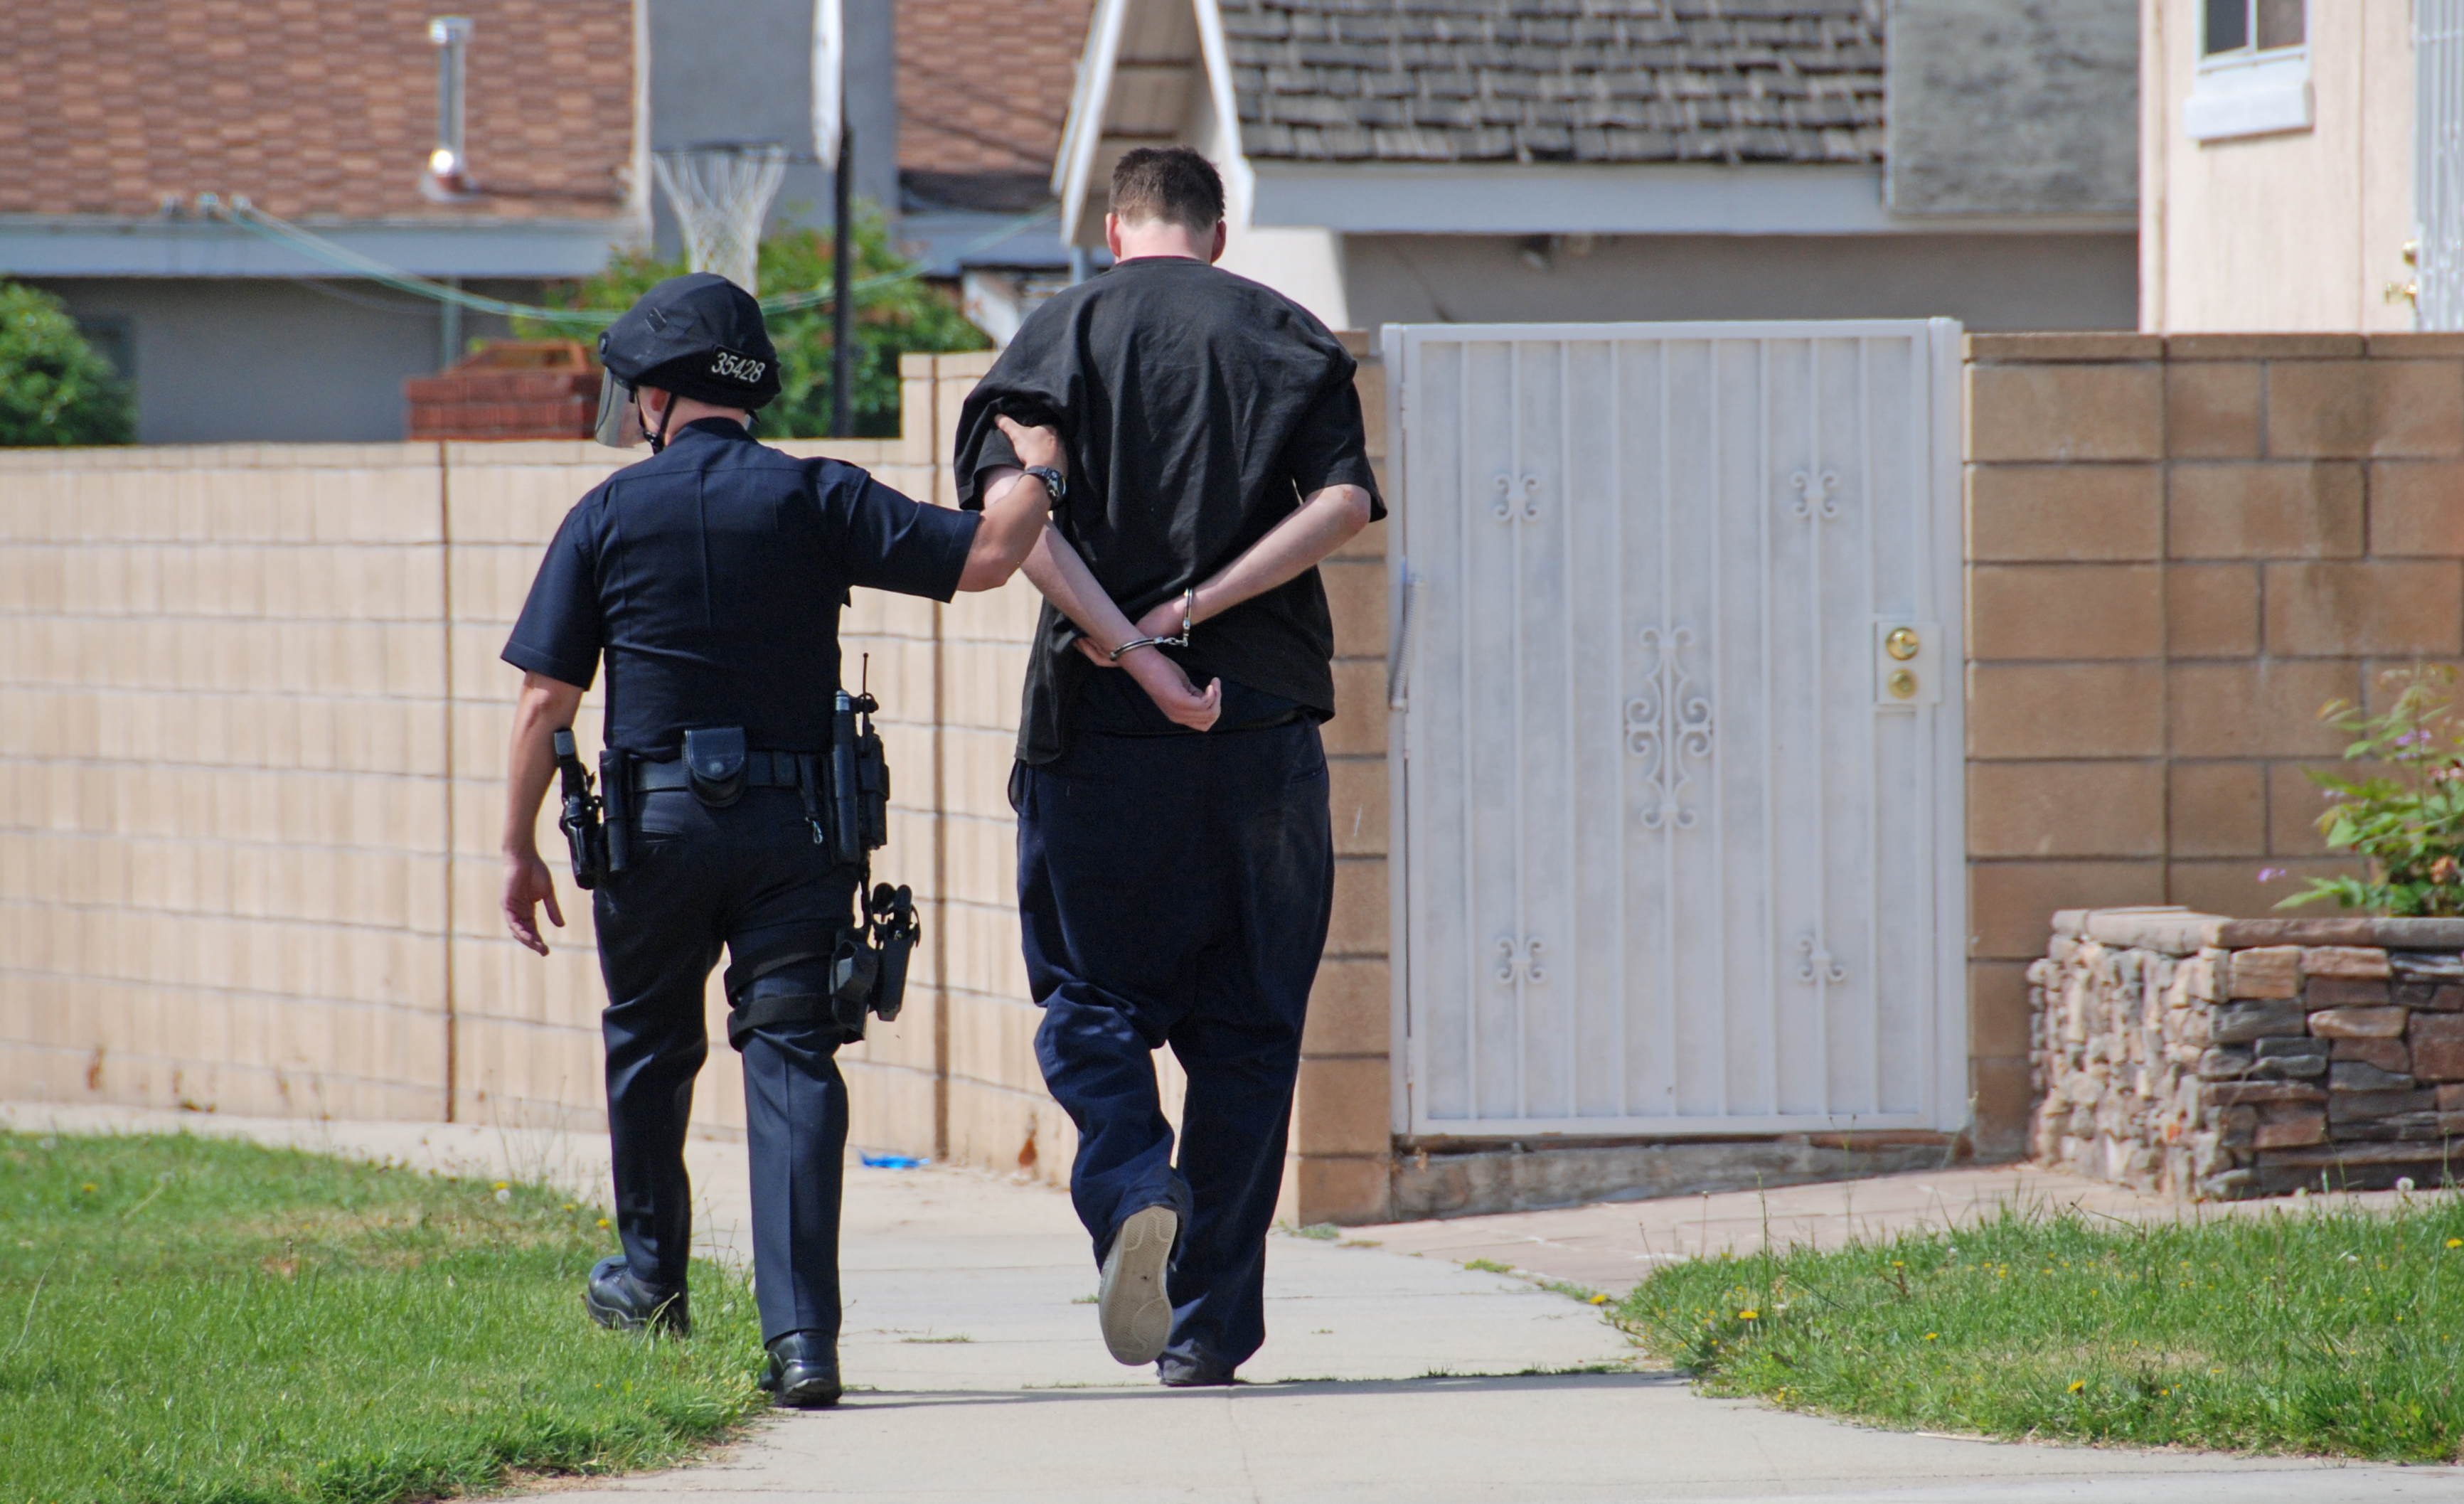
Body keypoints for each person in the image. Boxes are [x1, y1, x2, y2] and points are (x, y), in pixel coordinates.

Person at [496, 272, 1066, 1407]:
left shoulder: (605, 515)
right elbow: (994, 554)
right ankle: (803, 1342)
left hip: (651, 838)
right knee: (794, 1060)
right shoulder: (814, 495)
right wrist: (1037, 458)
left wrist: (514, 848)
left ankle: (651, 1283)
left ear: (656, 398)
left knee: (650, 1050)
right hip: (796, 832)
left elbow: (542, 706)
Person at [950, 146, 1383, 1387]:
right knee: (1249, 1035)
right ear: (1218, 231)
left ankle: (1138, 1180)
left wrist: (1134, 651)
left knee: (1089, 1000)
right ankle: (1205, 1332)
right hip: (1258, 733)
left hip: (1096, 737)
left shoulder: (1054, 337)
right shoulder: (1290, 338)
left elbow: (1011, 524)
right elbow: (1343, 507)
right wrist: (1196, 609)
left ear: (1112, 225)